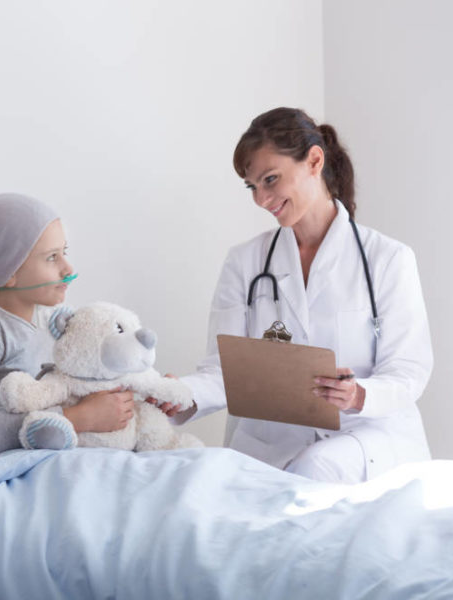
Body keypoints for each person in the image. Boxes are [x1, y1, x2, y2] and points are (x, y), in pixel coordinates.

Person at [174, 107, 433, 483]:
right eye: (253, 186)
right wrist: (177, 394)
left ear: (314, 161)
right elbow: (223, 370)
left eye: (271, 179)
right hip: (272, 443)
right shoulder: (245, 262)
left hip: (362, 437)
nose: (262, 199)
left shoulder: (389, 259)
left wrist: (359, 395)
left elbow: (408, 371)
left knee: (318, 467)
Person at [0, 193, 135, 457]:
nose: (68, 268)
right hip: (13, 464)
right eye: (52, 257)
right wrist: (77, 418)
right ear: (8, 272)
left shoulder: (54, 322)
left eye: (63, 253)